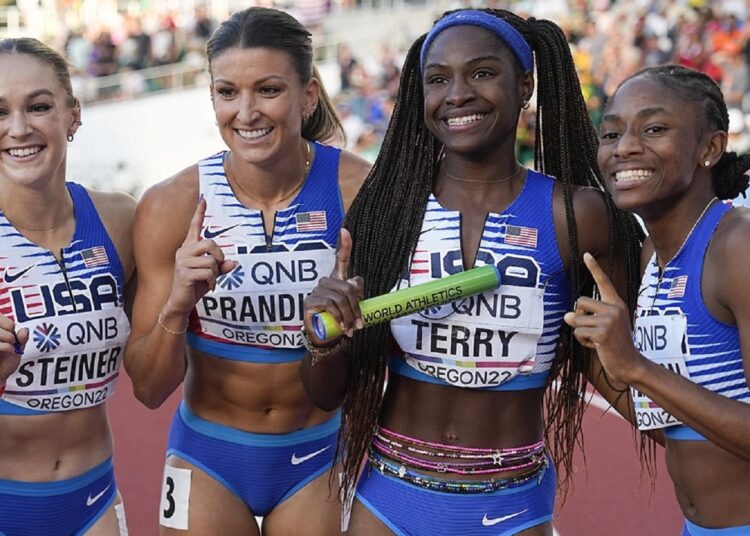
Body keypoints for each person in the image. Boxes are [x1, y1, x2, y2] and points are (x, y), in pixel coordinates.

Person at [300, 8, 644, 535]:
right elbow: (326, 394)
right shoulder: (387, 213)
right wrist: (325, 338)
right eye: (438, 79)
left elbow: (624, 372)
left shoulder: (581, 216)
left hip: (512, 508)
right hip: (390, 503)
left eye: (482, 73)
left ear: (525, 84)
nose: (457, 94)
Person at [123, 7, 370, 535]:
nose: (247, 112)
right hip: (207, 455)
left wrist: (337, 333)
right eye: (227, 92)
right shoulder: (172, 205)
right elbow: (147, 387)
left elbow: (378, 366)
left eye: (268, 90)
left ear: (307, 95)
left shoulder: (357, 191)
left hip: (319, 453)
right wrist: (177, 306)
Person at [565, 64, 750, 535]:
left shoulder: (737, 248)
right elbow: (676, 428)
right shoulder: (653, 255)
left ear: (710, 147)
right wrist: (591, 362)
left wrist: (637, 369)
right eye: (611, 132)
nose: (624, 146)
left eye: (654, 128)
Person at [0, 38, 135, 535]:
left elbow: (156, 374)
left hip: (93, 498)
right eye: (0, 112)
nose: (19, 128)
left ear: (72, 115)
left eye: (38, 106)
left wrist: (182, 296)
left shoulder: (121, 219)